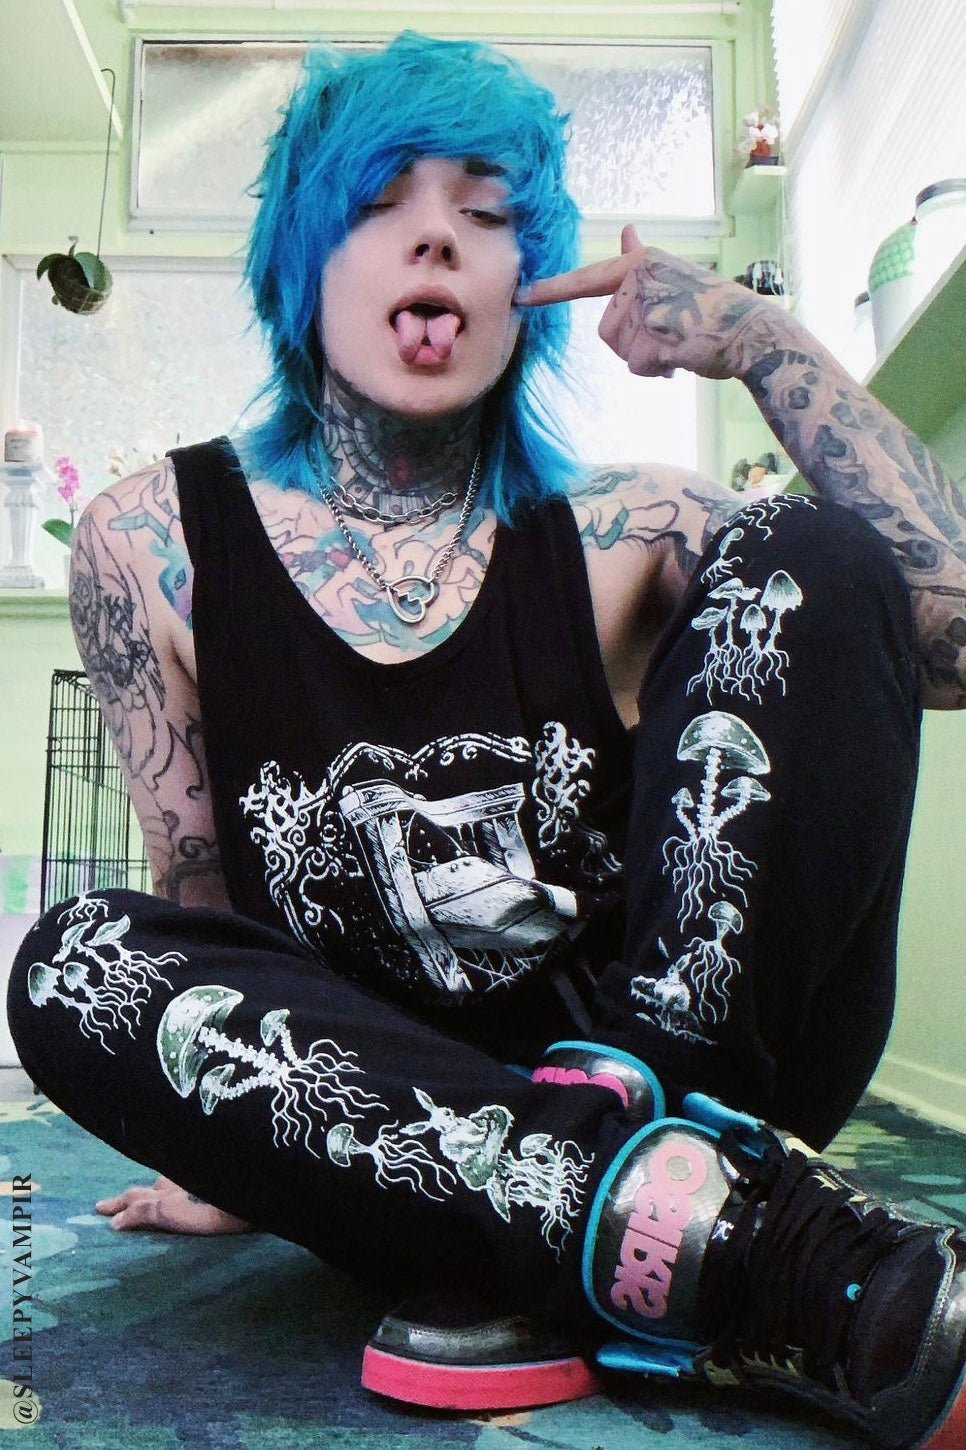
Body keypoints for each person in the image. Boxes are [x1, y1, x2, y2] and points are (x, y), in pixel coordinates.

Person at [7, 33, 966, 1447]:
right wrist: (222, 1137)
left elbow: (946, 631)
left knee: (809, 552)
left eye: (486, 211)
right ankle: (725, 1247)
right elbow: (200, 889)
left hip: (697, 1063)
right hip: (400, 1121)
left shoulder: (624, 527)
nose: (437, 238)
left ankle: (637, 1182)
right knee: (76, 958)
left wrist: (758, 341)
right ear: (301, 259)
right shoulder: (150, 542)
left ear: (532, 279)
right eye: (379, 202)